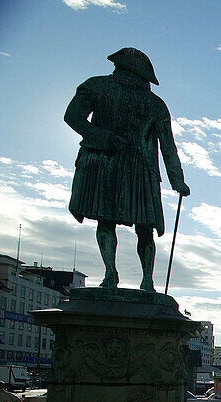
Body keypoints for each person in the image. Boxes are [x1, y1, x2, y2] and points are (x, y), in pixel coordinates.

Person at [65, 48, 190, 291]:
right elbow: (168, 148)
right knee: (142, 228)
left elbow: (73, 117)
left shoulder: (96, 86)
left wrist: (101, 137)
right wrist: (178, 181)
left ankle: (114, 275)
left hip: (111, 163)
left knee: (107, 220)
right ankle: (143, 280)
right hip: (135, 169)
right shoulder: (154, 103)